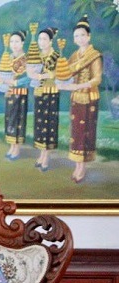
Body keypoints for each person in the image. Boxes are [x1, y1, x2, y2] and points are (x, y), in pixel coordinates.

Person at [61, 15, 102, 183]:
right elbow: (67, 74)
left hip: (89, 98)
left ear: (89, 36)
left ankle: (83, 166)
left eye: (82, 35)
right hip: (76, 99)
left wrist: (79, 86)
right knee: (76, 132)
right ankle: (77, 165)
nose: (79, 38)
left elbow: (97, 79)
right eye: (76, 36)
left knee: (86, 133)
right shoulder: (74, 56)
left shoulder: (95, 55)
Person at [28, 27, 60, 172]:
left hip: (51, 92)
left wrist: (41, 76)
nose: (42, 42)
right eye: (40, 39)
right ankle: (42, 153)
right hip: (39, 92)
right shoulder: (37, 56)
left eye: (44, 39)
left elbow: (56, 73)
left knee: (49, 124)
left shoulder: (56, 55)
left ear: (50, 40)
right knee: (40, 124)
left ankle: (46, 155)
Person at [0, 30, 30, 161]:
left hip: (20, 93)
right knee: (9, 119)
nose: (14, 44)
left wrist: (15, 82)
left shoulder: (27, 58)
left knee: (18, 120)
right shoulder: (8, 57)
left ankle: (17, 148)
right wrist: (4, 83)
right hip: (9, 93)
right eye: (12, 41)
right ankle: (12, 145)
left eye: (17, 41)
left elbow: (29, 77)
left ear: (22, 43)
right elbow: (1, 74)